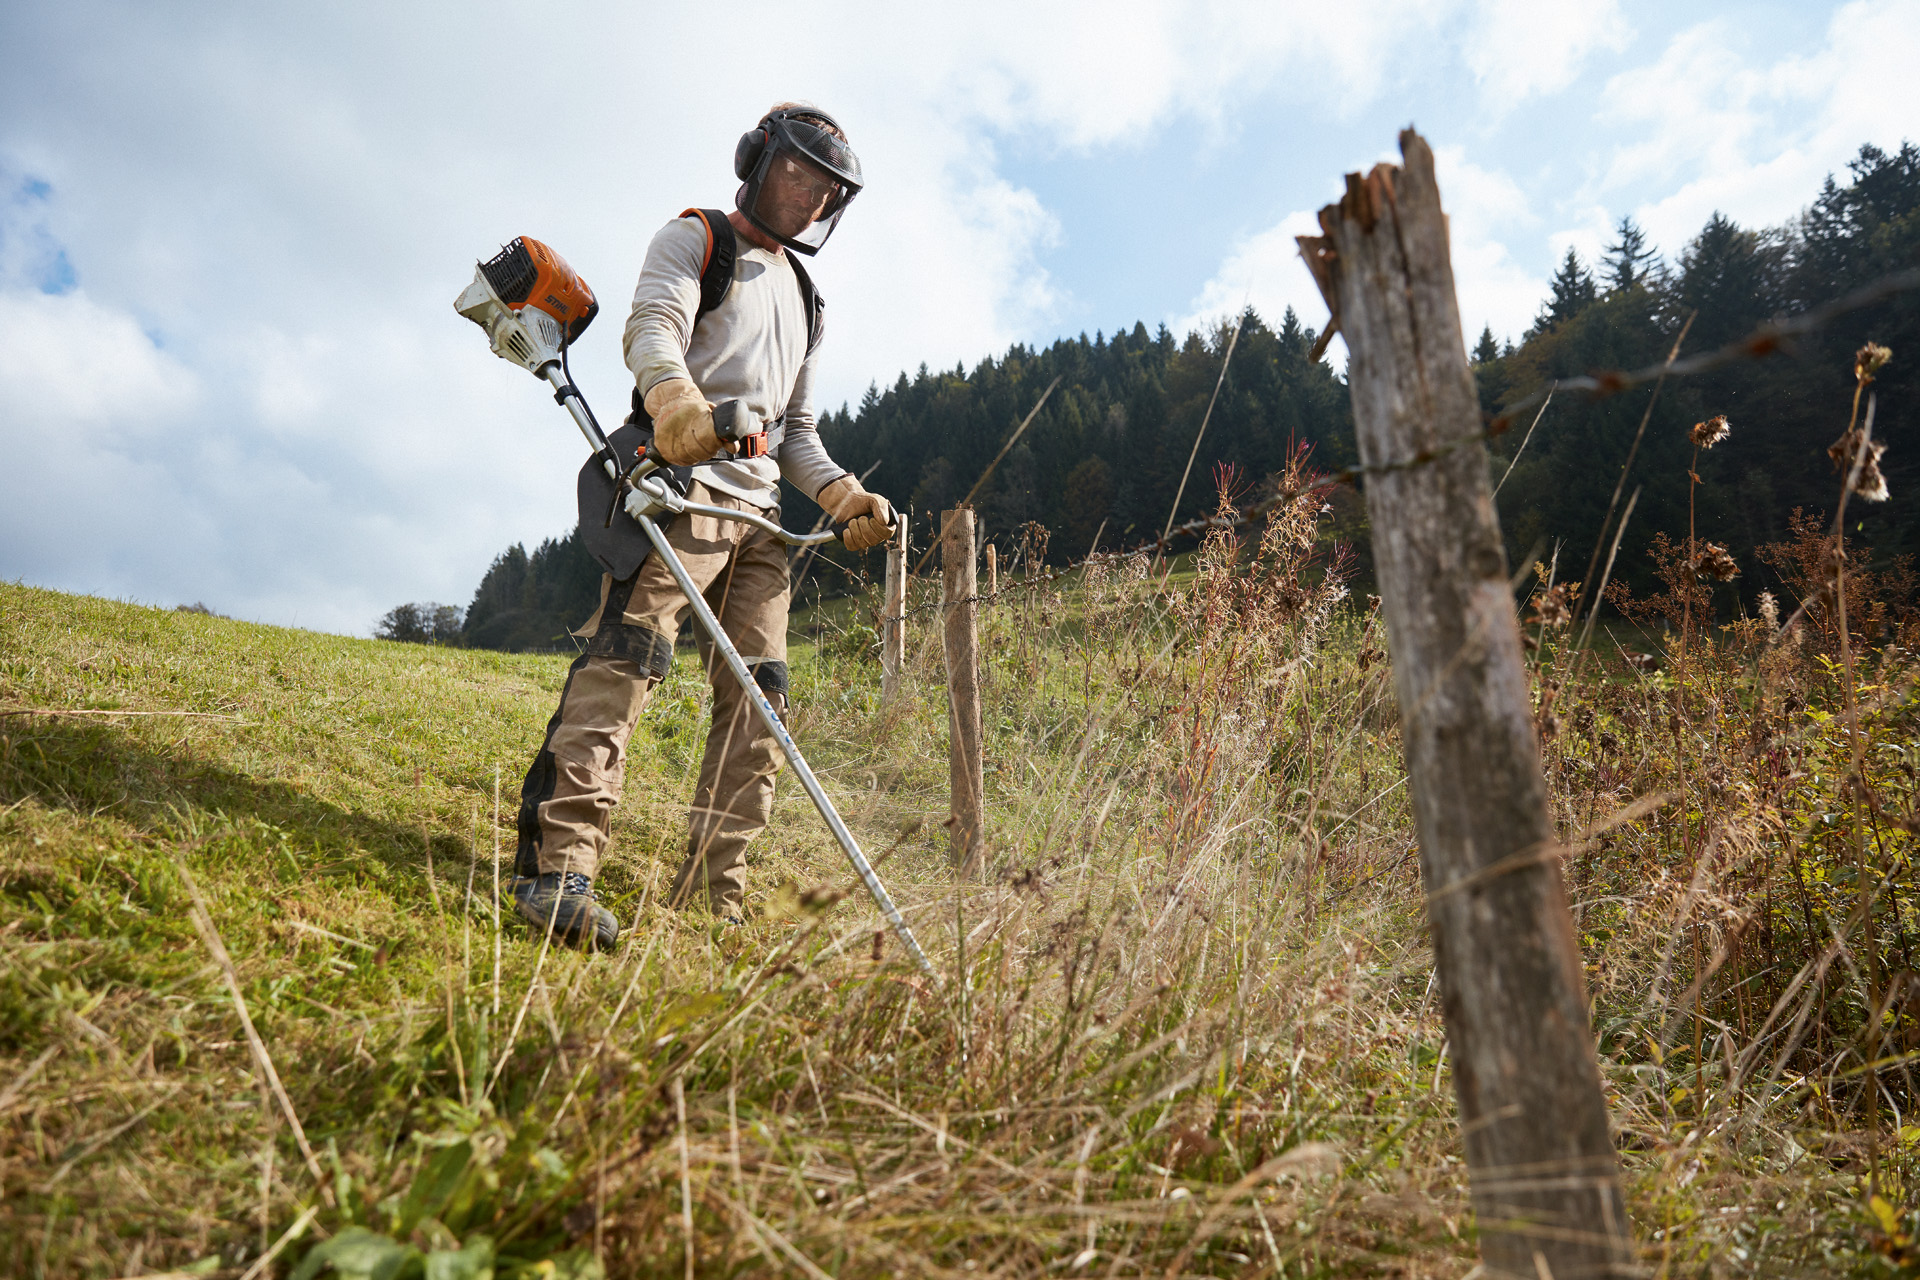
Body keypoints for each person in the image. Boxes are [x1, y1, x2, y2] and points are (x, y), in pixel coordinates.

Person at [508, 103, 895, 950]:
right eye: (800, 173)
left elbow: (798, 435)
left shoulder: (808, 300)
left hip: (761, 522)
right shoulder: (698, 240)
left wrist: (843, 500)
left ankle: (711, 896)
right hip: (681, 489)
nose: (813, 197)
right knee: (628, 662)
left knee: (762, 702)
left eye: (829, 190)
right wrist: (675, 403)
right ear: (756, 160)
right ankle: (558, 871)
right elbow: (652, 330)